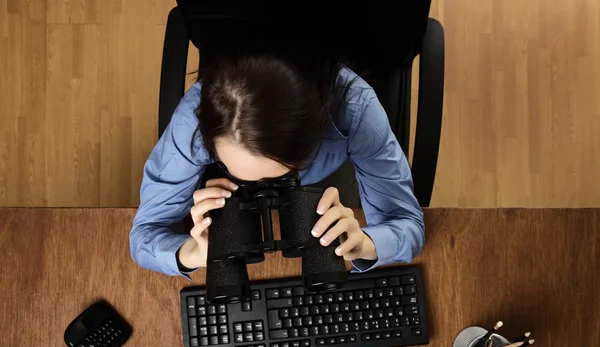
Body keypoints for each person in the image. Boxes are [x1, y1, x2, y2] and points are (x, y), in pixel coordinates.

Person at [129, 46, 425, 279]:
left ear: (313, 142)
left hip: (318, 187)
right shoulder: (191, 121)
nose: (263, 187)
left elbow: (409, 225)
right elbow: (144, 236)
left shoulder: (356, 107)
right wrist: (192, 254)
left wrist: (364, 244)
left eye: (283, 171)